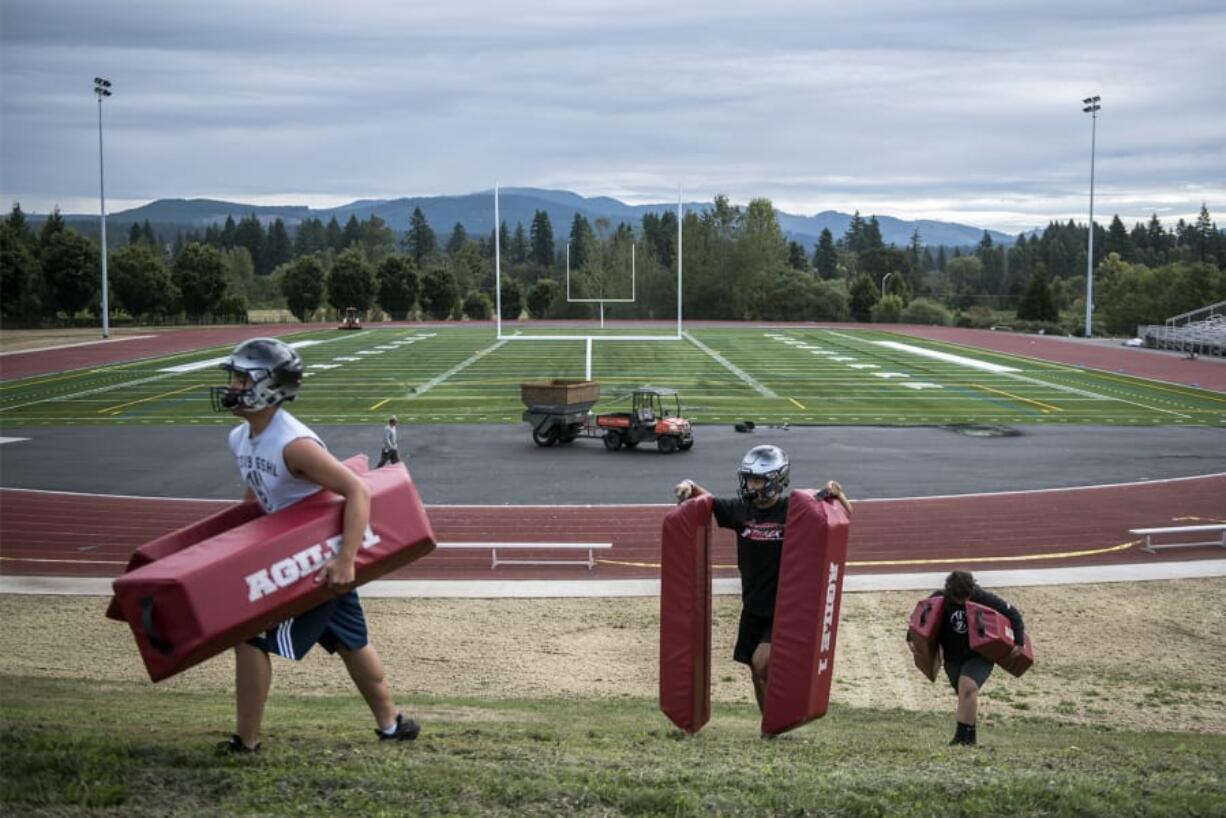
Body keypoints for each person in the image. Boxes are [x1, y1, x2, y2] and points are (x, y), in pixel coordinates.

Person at [210, 337, 420, 753]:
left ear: (268, 387)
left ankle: (246, 742)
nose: (231, 386)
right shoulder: (241, 437)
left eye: (240, 377)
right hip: (303, 553)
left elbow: (357, 491)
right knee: (350, 642)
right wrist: (238, 541)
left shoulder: (294, 444)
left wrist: (346, 560)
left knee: (250, 636)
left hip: (312, 559)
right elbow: (256, 491)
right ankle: (392, 725)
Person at [673, 445, 852, 715]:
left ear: (774, 481)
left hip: (783, 606)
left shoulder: (793, 508)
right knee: (756, 672)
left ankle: (782, 715)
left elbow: (839, 512)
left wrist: (835, 493)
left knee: (761, 663)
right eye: (748, 479)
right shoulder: (740, 511)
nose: (749, 485)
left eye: (756, 480)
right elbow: (709, 502)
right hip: (753, 606)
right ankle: (770, 725)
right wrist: (690, 485)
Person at [907, 570, 1025, 746]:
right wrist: (911, 637)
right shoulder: (940, 598)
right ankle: (969, 738)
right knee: (964, 695)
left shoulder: (982, 597)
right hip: (953, 657)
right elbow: (921, 618)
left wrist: (1019, 642)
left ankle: (960, 739)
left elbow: (1013, 614)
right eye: (959, 597)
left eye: (966, 596)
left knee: (968, 687)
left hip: (979, 655)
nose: (963, 601)